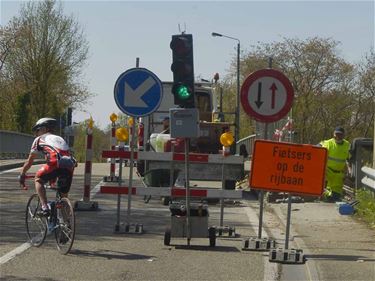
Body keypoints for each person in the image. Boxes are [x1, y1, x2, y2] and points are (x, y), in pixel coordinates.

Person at [19, 117, 76, 216]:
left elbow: (29, 161)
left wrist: (22, 174)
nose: (36, 133)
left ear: (44, 129)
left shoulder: (39, 139)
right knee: (63, 198)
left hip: (55, 164)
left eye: (37, 130)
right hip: (69, 167)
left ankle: (45, 207)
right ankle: (67, 226)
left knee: (38, 179)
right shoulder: (60, 138)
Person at [319, 126, 351, 202]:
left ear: (343, 135)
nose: (338, 136)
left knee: (335, 196)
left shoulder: (347, 145)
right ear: (334, 134)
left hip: (338, 175)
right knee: (323, 191)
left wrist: (349, 170)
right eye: (337, 134)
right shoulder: (328, 143)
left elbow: (349, 159)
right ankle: (323, 197)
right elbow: (318, 148)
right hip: (327, 172)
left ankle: (329, 199)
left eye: (340, 134)